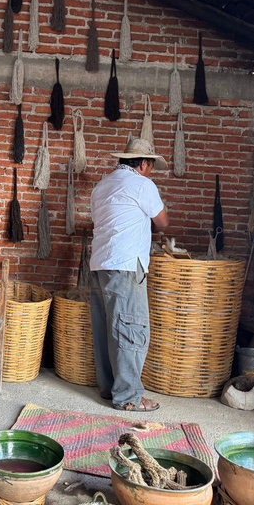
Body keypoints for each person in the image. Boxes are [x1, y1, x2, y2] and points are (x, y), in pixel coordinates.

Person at [89, 137, 169, 412]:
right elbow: (163, 221)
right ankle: (129, 398)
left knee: (105, 329)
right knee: (129, 328)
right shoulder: (142, 184)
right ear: (144, 164)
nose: (151, 171)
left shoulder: (101, 186)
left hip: (99, 264)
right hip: (125, 265)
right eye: (151, 165)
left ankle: (110, 389)